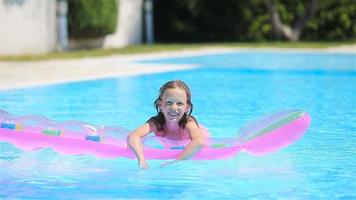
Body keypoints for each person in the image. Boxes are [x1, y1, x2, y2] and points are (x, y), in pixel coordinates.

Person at [127, 80, 208, 169]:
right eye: (169, 103)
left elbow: (199, 141)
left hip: (196, 136)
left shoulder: (188, 124)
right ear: (160, 105)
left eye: (180, 103)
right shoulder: (156, 123)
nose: (174, 107)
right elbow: (133, 136)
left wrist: (176, 161)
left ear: (187, 107)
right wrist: (141, 159)